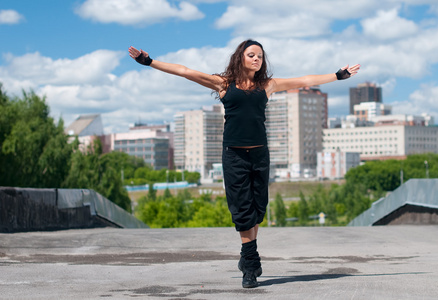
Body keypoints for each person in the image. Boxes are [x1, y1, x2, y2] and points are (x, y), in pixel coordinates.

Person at [129, 40, 360, 288]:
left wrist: (337, 76)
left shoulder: (267, 86)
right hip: (234, 155)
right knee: (242, 209)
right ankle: (250, 265)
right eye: (251, 55)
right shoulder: (223, 83)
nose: (256, 59)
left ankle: (246, 255)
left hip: (260, 155)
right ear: (241, 57)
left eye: (260, 56)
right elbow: (185, 71)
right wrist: (150, 62)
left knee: (258, 208)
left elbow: (304, 80)